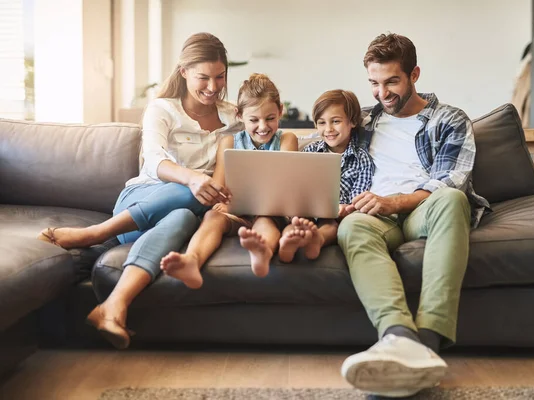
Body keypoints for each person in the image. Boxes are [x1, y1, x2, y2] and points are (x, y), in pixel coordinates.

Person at [37, 32, 243, 349]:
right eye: (203, 77)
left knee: (184, 216)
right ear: (184, 71)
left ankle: (113, 305)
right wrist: (190, 178)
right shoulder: (162, 109)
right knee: (187, 194)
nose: (213, 87)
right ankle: (96, 233)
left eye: (220, 77)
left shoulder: (234, 117)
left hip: (186, 214)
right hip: (141, 201)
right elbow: (155, 162)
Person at [337, 34, 491, 398]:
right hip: (375, 215)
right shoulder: (363, 121)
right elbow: (324, 146)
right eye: (374, 83)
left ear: (414, 74)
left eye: (392, 81)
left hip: (423, 209)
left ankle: (427, 339)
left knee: (453, 198)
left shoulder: (449, 119)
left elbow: (452, 177)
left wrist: (394, 202)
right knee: (353, 225)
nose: (382, 93)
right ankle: (398, 336)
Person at [159, 73, 298, 286]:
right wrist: (223, 202)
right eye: (254, 120)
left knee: (264, 221)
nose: (262, 126)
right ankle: (192, 261)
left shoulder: (287, 139)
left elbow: (284, 183)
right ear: (239, 115)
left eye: (270, 118)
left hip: (271, 211)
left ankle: (262, 252)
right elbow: (218, 185)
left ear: (280, 111)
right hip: (237, 212)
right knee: (213, 218)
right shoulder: (229, 142)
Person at [277, 89, 374, 263]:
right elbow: (295, 184)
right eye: (321, 123)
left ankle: (317, 240)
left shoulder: (362, 159)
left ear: (352, 121)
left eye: (335, 121)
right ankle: (287, 242)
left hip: (334, 215)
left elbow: (358, 199)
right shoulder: (309, 151)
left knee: (331, 227)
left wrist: (344, 208)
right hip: (305, 211)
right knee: (295, 224)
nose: (328, 129)